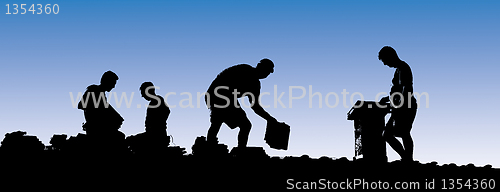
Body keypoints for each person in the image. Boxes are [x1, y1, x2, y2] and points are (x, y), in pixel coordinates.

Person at [205, 58, 279, 148]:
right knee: (240, 124)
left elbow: (255, 106)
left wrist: (269, 119)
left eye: (268, 73)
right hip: (218, 94)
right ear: (260, 67)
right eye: (266, 71)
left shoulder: (255, 85)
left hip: (224, 97)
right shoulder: (245, 69)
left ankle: (214, 145)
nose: (266, 74)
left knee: (224, 121)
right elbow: (223, 79)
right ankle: (238, 151)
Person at [378, 46, 418, 162]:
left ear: (390, 56)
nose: (385, 64)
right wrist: (388, 98)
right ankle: (406, 158)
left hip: (405, 106)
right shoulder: (399, 69)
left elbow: (406, 89)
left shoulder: (403, 68)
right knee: (389, 134)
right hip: (400, 106)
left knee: (403, 133)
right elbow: (398, 90)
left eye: (385, 61)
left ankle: (408, 159)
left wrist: (399, 106)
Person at [78, 71, 125, 142]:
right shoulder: (93, 90)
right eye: (113, 83)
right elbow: (81, 105)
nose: (113, 86)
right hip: (96, 129)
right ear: (106, 81)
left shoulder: (101, 94)